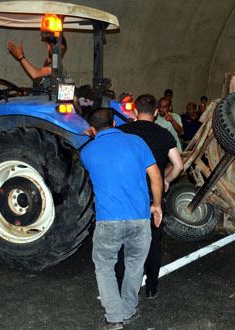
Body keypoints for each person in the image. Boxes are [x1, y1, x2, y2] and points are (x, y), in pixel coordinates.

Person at [80, 108, 163, 329]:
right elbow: (156, 176)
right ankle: (128, 310)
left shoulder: (87, 152)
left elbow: (100, 160)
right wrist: (156, 205)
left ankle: (114, 318)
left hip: (108, 221)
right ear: (115, 123)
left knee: (105, 267)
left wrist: (93, 138)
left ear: (93, 129)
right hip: (139, 218)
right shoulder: (137, 142)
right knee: (135, 266)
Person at [117, 94, 184, 299]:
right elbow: (179, 165)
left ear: (135, 111)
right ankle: (152, 288)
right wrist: (165, 179)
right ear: (156, 112)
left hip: (125, 197)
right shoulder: (164, 134)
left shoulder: (121, 132)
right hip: (151, 196)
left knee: (123, 245)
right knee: (153, 244)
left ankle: (122, 287)